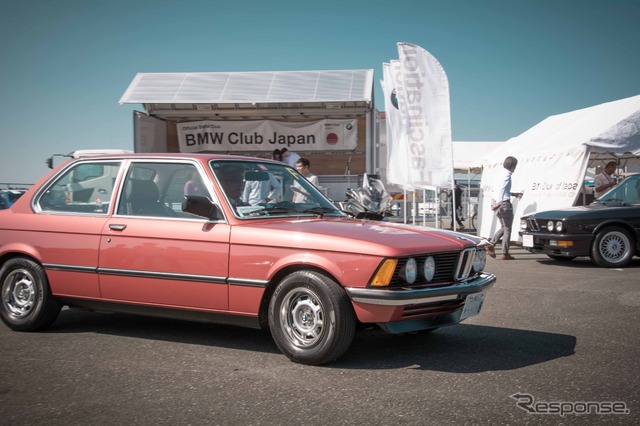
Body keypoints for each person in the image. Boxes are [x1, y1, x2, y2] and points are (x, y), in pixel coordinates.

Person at [486, 156, 522, 260]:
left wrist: (512, 194)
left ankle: (491, 244)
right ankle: (505, 253)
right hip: (503, 204)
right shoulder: (507, 175)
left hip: (496, 202)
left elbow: (499, 190)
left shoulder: (499, 174)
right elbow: (501, 190)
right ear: (513, 166)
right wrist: (499, 202)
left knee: (503, 227)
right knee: (507, 229)